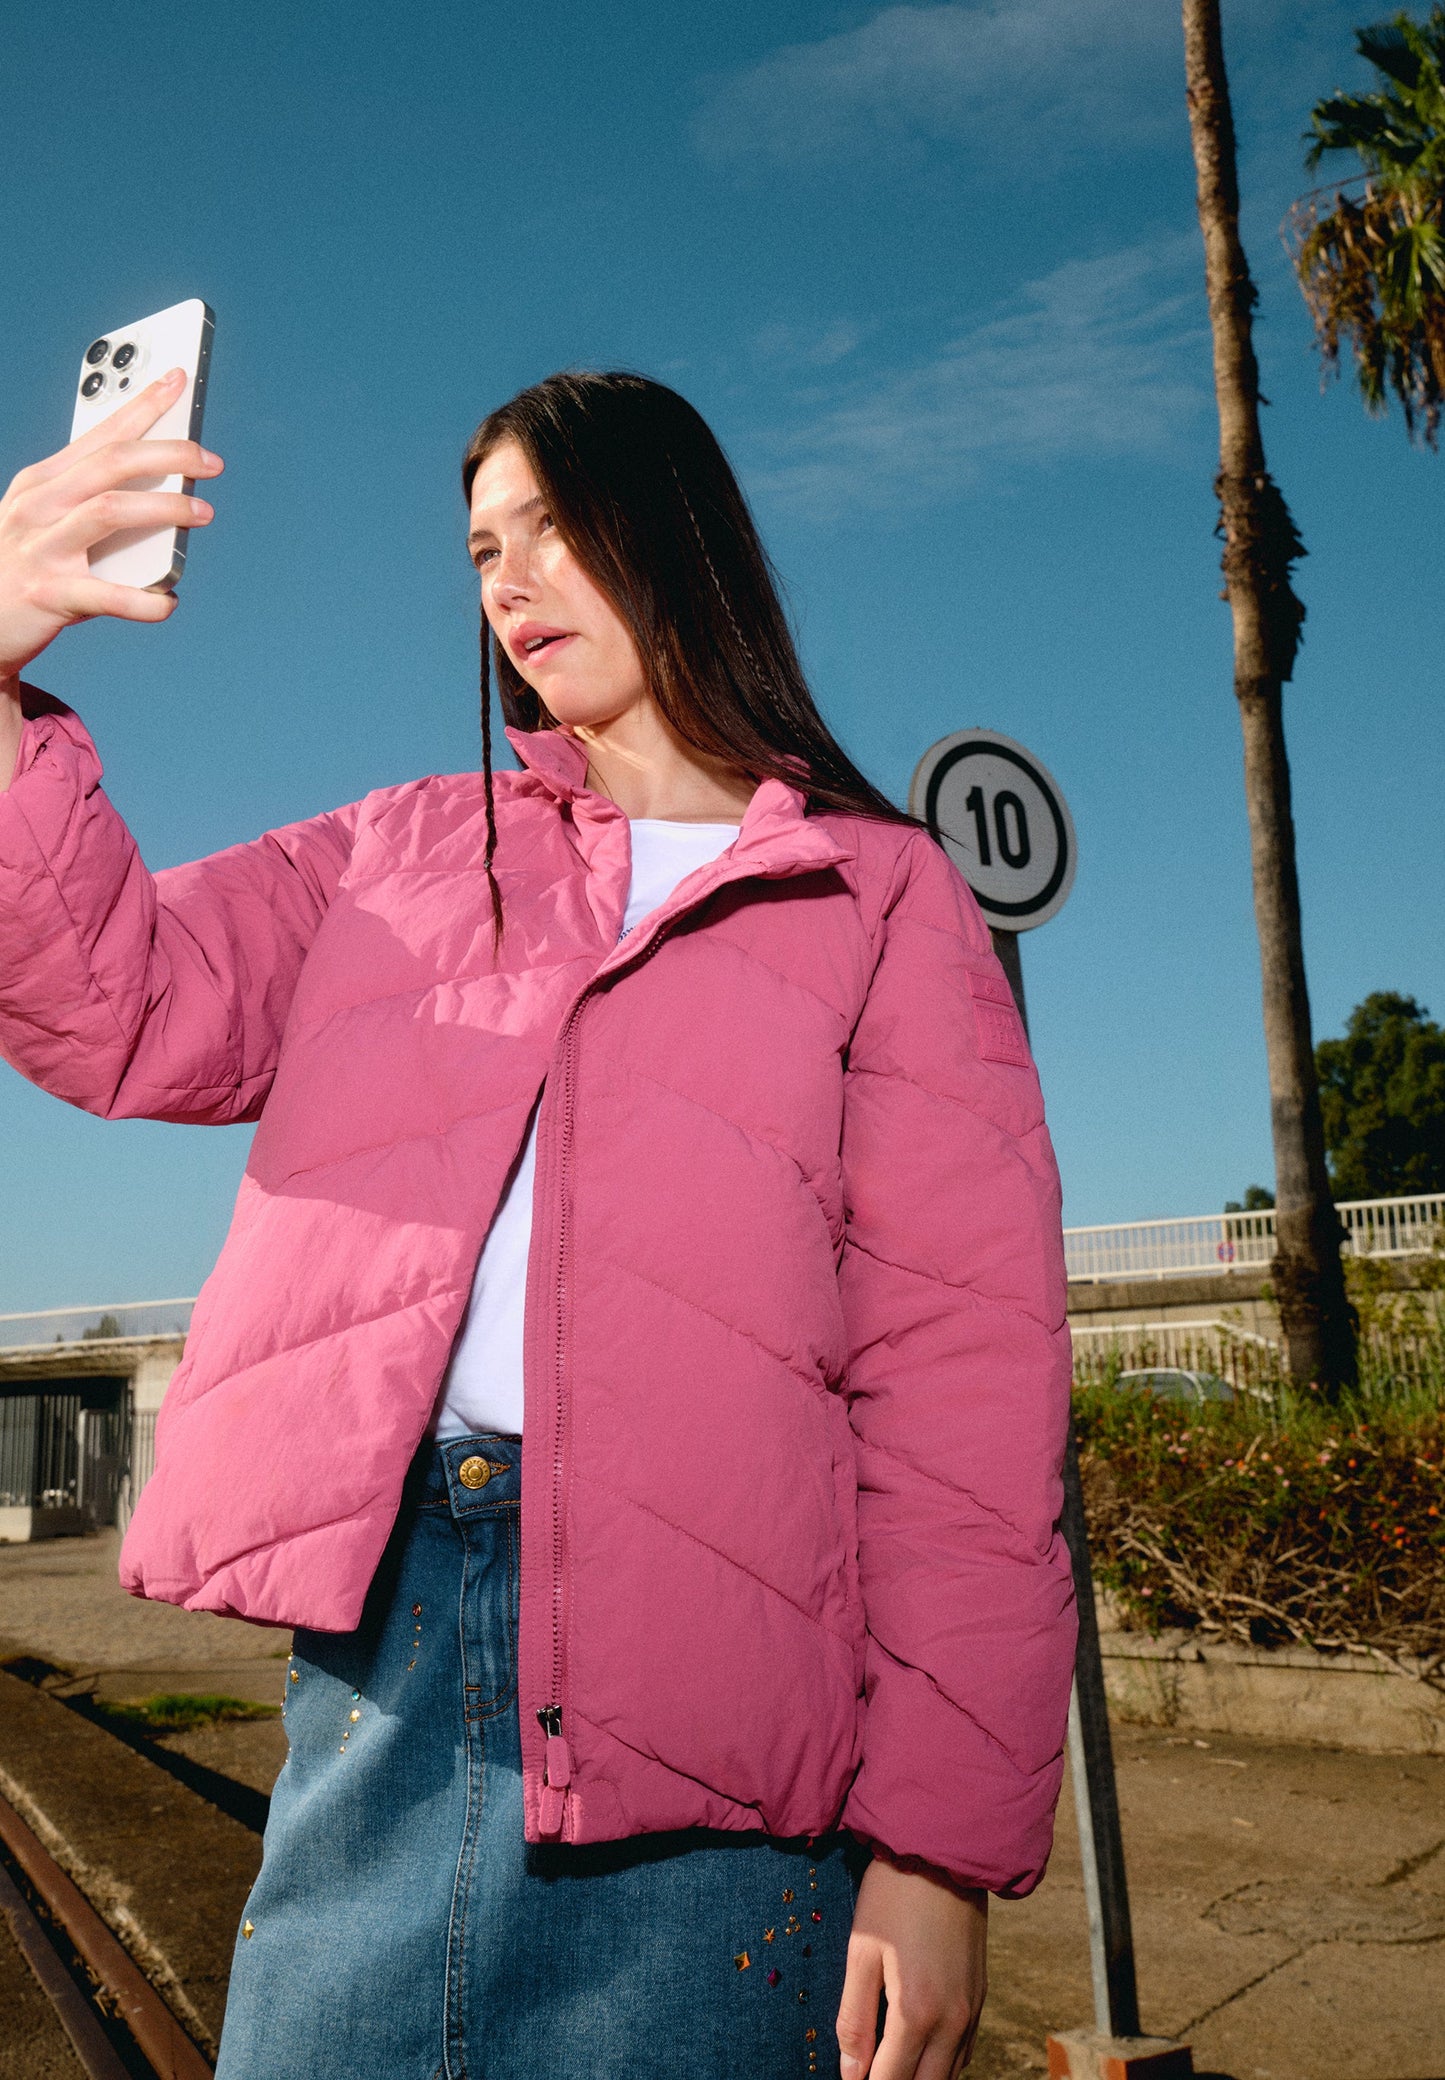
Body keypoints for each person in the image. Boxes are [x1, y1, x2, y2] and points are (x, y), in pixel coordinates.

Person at [0, 366, 1076, 2080]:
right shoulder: (401, 852)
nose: (506, 579)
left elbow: (964, 1395)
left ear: (683, 535)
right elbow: (118, 1004)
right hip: (389, 1660)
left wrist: (943, 1853)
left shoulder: (881, 898)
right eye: (483, 545)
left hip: (719, 1739)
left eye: (556, 527)